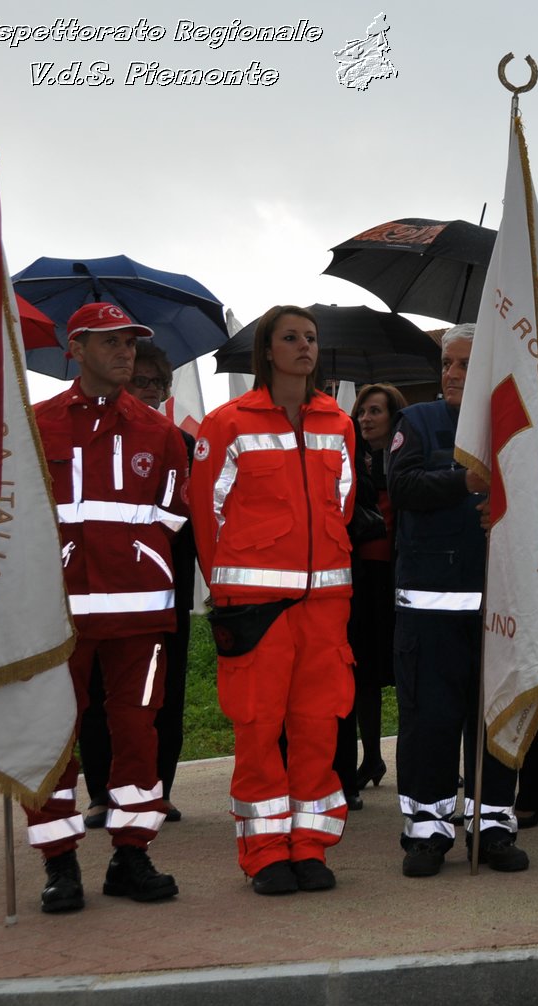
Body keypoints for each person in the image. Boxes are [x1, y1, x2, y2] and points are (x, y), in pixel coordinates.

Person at [188, 304, 356, 896]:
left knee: (318, 726)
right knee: (258, 727)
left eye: (310, 337)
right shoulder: (226, 423)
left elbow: (343, 502)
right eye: (291, 338)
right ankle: (263, 851)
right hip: (254, 602)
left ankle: (310, 845)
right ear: (267, 352)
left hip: (326, 602)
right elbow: (205, 515)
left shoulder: (339, 423)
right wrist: (225, 592)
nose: (304, 346)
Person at [26, 303, 187, 913]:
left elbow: (173, 513)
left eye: (129, 342)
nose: (125, 352)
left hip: (139, 613)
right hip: (56, 614)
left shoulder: (159, 431)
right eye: (110, 342)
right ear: (76, 349)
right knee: (53, 737)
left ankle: (132, 853)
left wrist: (136, 555)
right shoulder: (35, 425)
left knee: (136, 734)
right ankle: (59, 862)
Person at [389, 325, 528, 877]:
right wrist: (466, 481)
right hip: (430, 610)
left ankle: (492, 824)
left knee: (495, 719)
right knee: (431, 721)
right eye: (447, 362)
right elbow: (402, 487)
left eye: (466, 364)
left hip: (499, 606)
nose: (451, 373)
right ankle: (427, 831)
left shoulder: (514, 427)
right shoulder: (418, 421)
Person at [77, 341, 197, 826]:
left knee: (162, 693)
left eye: (158, 383)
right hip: (97, 590)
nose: (151, 390)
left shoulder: (183, 443)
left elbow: (195, 520)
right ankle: (102, 795)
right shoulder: (89, 439)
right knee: (100, 695)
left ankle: (156, 790)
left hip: (164, 590)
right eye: (140, 381)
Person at [339, 383, 406, 807]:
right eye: (362, 411)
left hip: (399, 573)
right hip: (361, 576)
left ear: (393, 416)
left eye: (375, 411)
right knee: (361, 674)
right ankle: (371, 758)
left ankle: (420, 758)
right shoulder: (351, 460)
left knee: (403, 672)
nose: (365, 418)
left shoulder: (404, 455)